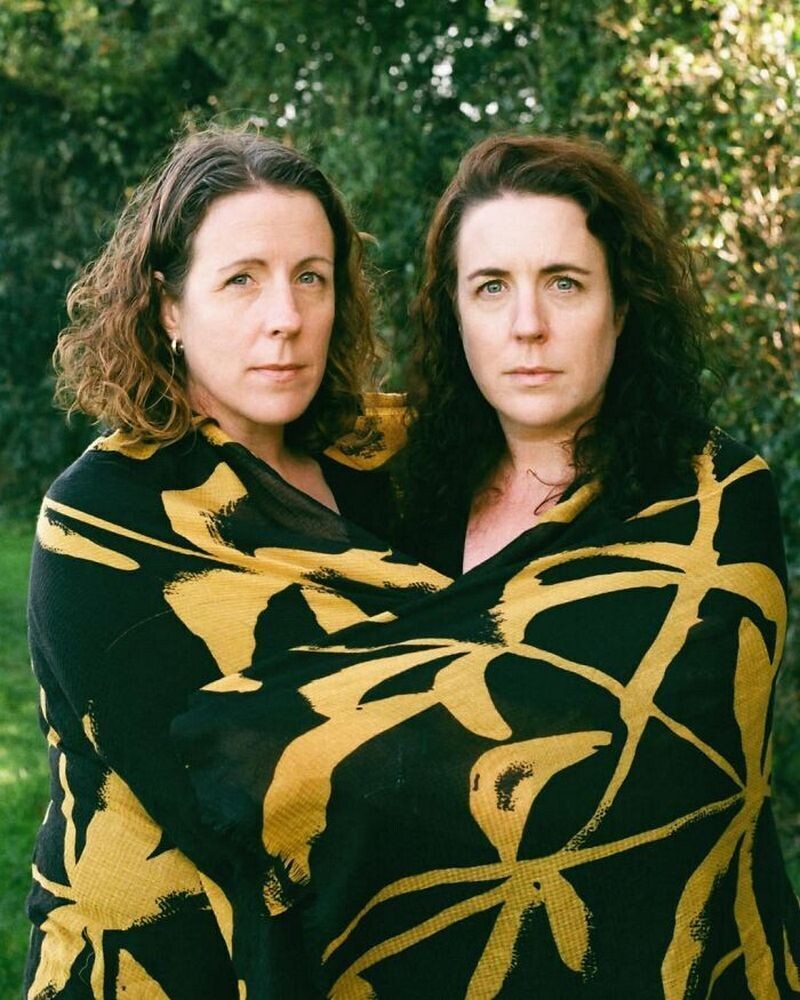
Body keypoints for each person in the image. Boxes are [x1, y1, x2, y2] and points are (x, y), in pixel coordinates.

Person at [172, 133, 800, 998]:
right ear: (454, 315)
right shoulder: (408, 501)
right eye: (491, 287)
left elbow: (645, 770)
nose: (526, 325)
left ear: (622, 307)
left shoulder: (711, 498)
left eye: (565, 283)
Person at [23, 126, 444, 999]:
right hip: (149, 969)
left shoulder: (391, 468)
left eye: (311, 277)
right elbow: (241, 799)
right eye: (242, 279)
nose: (285, 316)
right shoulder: (103, 520)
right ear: (169, 308)